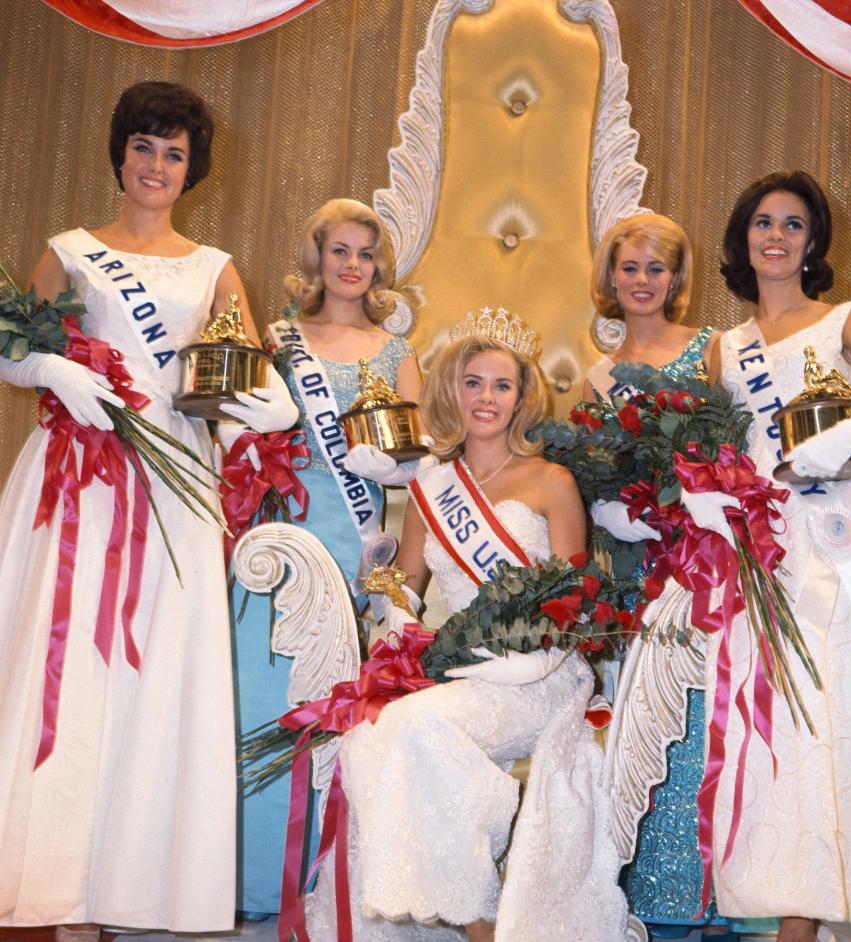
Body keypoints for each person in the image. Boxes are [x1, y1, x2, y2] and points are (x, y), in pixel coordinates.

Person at [0, 81, 296, 939]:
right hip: (76, 484)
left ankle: (131, 886)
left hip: (172, 487)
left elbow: (233, 380)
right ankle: (56, 889)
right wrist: (46, 371)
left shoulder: (215, 269)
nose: (156, 166)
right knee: (69, 670)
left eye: (173, 152)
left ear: (191, 168)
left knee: (155, 673)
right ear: (119, 153)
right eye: (144, 146)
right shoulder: (70, 249)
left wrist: (266, 404)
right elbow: (13, 338)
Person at [308, 311, 628, 941]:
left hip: (543, 673)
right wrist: (397, 620)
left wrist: (531, 659)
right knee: (369, 737)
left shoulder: (552, 480)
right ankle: (464, 916)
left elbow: (577, 599)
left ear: (522, 396)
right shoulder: (432, 485)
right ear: (453, 392)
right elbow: (404, 583)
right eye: (473, 383)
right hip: (463, 670)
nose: (487, 398)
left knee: (413, 725)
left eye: (501, 385)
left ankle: (479, 923)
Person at [692, 171, 851, 942]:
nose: (777, 236)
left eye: (794, 224)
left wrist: (834, 440)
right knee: (772, 729)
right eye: (763, 221)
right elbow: (707, 453)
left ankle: (804, 921)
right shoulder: (725, 350)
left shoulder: (849, 320)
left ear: (814, 241)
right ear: (743, 238)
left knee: (834, 716)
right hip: (762, 545)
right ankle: (774, 904)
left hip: (839, 537)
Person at [227, 198, 422, 918]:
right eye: (339, 250)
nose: (351, 266)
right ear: (318, 258)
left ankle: (312, 887)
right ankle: (244, 878)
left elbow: (417, 457)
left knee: (326, 715)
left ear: (378, 267)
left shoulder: (398, 352)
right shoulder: (279, 339)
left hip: (352, 547)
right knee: (259, 702)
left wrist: (393, 466)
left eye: (365, 254)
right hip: (273, 543)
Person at [585, 214, 776, 939]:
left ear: (676, 279)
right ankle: (660, 895)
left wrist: (709, 501)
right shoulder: (599, 374)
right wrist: (617, 509)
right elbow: (591, 470)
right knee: (655, 722)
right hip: (643, 570)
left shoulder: (714, 351)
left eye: (655, 269)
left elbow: (749, 447)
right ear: (609, 276)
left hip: (714, 561)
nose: (641, 282)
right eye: (629, 268)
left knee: (713, 718)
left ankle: (729, 892)